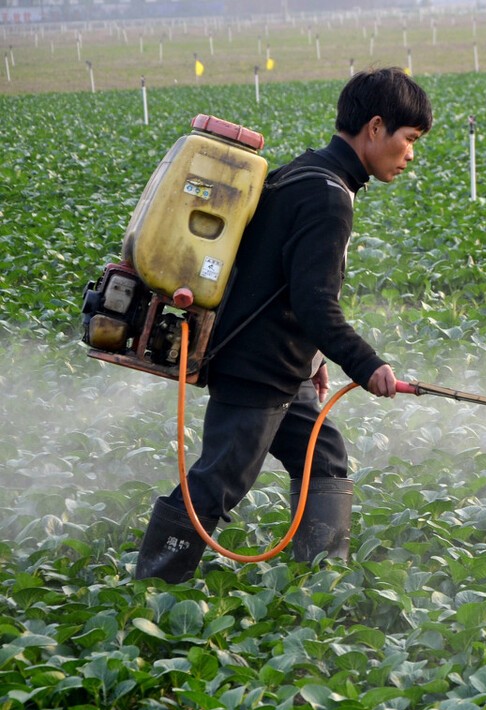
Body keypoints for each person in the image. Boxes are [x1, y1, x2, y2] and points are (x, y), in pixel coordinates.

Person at [135, 67, 433, 583]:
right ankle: (149, 588)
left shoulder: (308, 171)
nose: (410, 155)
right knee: (219, 481)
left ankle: (321, 586)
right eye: (408, 141)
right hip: (257, 367)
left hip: (279, 365)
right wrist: (368, 365)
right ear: (376, 127)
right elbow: (314, 302)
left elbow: (275, 279)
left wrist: (312, 360)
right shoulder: (328, 195)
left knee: (325, 457)